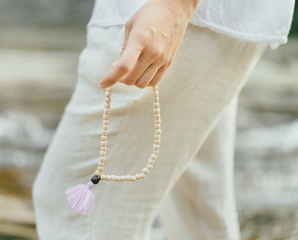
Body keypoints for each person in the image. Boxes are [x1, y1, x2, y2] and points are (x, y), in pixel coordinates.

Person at [32, 0, 295, 239]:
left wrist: (175, 6)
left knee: (75, 218)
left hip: (167, 18)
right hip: (203, 19)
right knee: (199, 220)